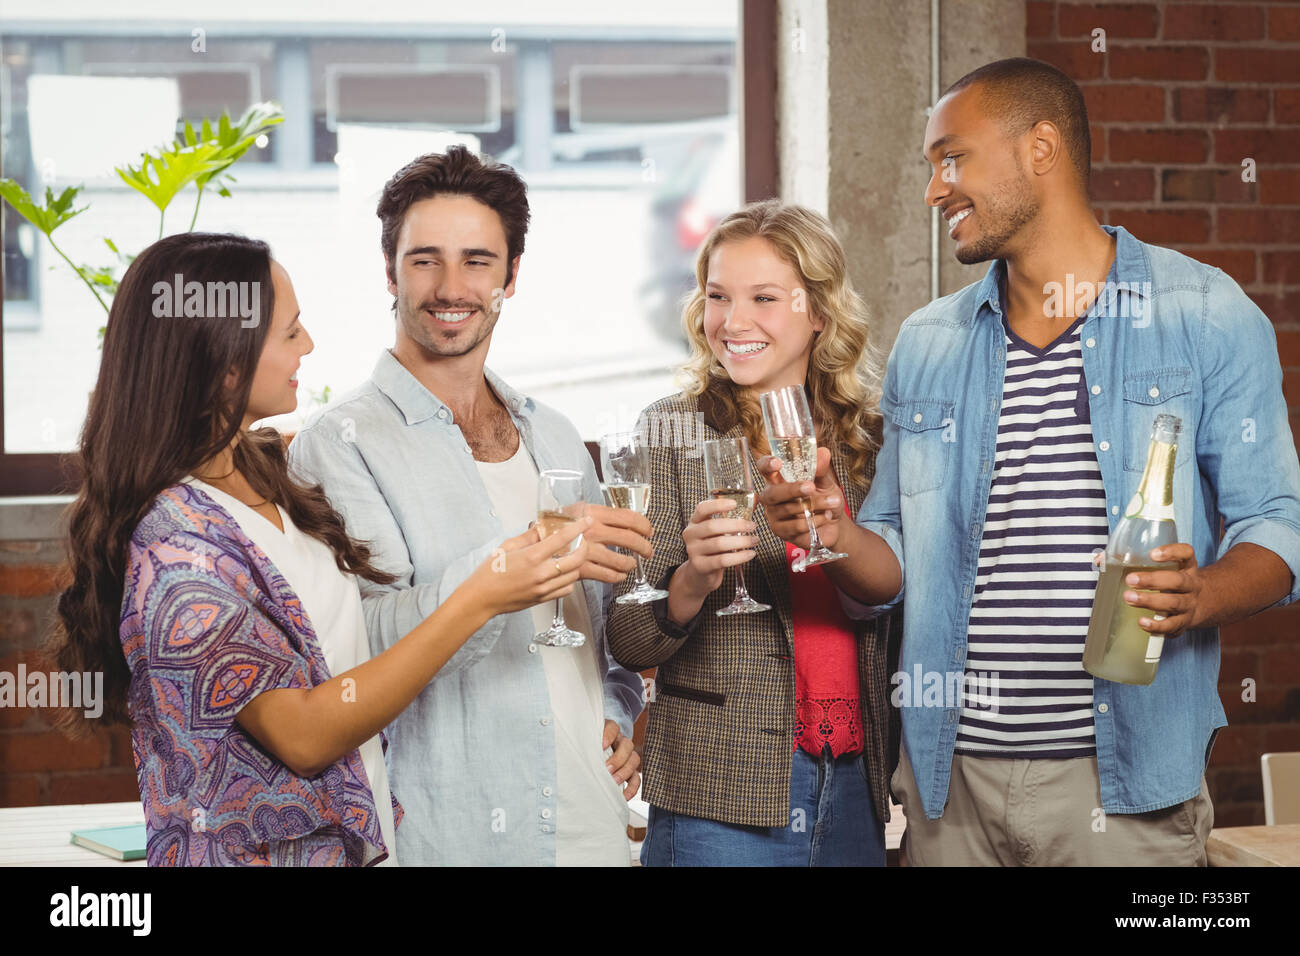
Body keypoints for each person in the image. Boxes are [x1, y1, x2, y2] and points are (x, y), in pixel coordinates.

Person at [784, 57, 1300, 865]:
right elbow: (888, 572)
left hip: (1126, 787)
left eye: (952, 159)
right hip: (948, 787)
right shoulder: (929, 341)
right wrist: (835, 530)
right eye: (929, 167)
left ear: (1042, 148)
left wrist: (1201, 594)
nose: (934, 189)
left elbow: (1279, 524)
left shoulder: (1202, 311)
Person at [50, 232, 588, 866]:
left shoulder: (261, 468)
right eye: (289, 332)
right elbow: (304, 734)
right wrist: (480, 599)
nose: (308, 344)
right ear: (225, 360)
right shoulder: (176, 550)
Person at [287, 146, 648, 867]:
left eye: (478, 261)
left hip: (592, 825)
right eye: (425, 260)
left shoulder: (552, 433)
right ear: (389, 271)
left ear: (511, 277)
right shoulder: (339, 445)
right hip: (449, 833)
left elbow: (602, 627)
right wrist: (499, 572)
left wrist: (619, 710)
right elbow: (364, 642)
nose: (451, 286)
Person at [605, 200, 900, 866]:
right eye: (717, 297)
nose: (733, 322)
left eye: (764, 298)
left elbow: (898, 597)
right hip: (719, 792)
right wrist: (693, 579)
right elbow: (626, 635)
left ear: (818, 312)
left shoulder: (869, 440)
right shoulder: (670, 431)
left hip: (853, 782)